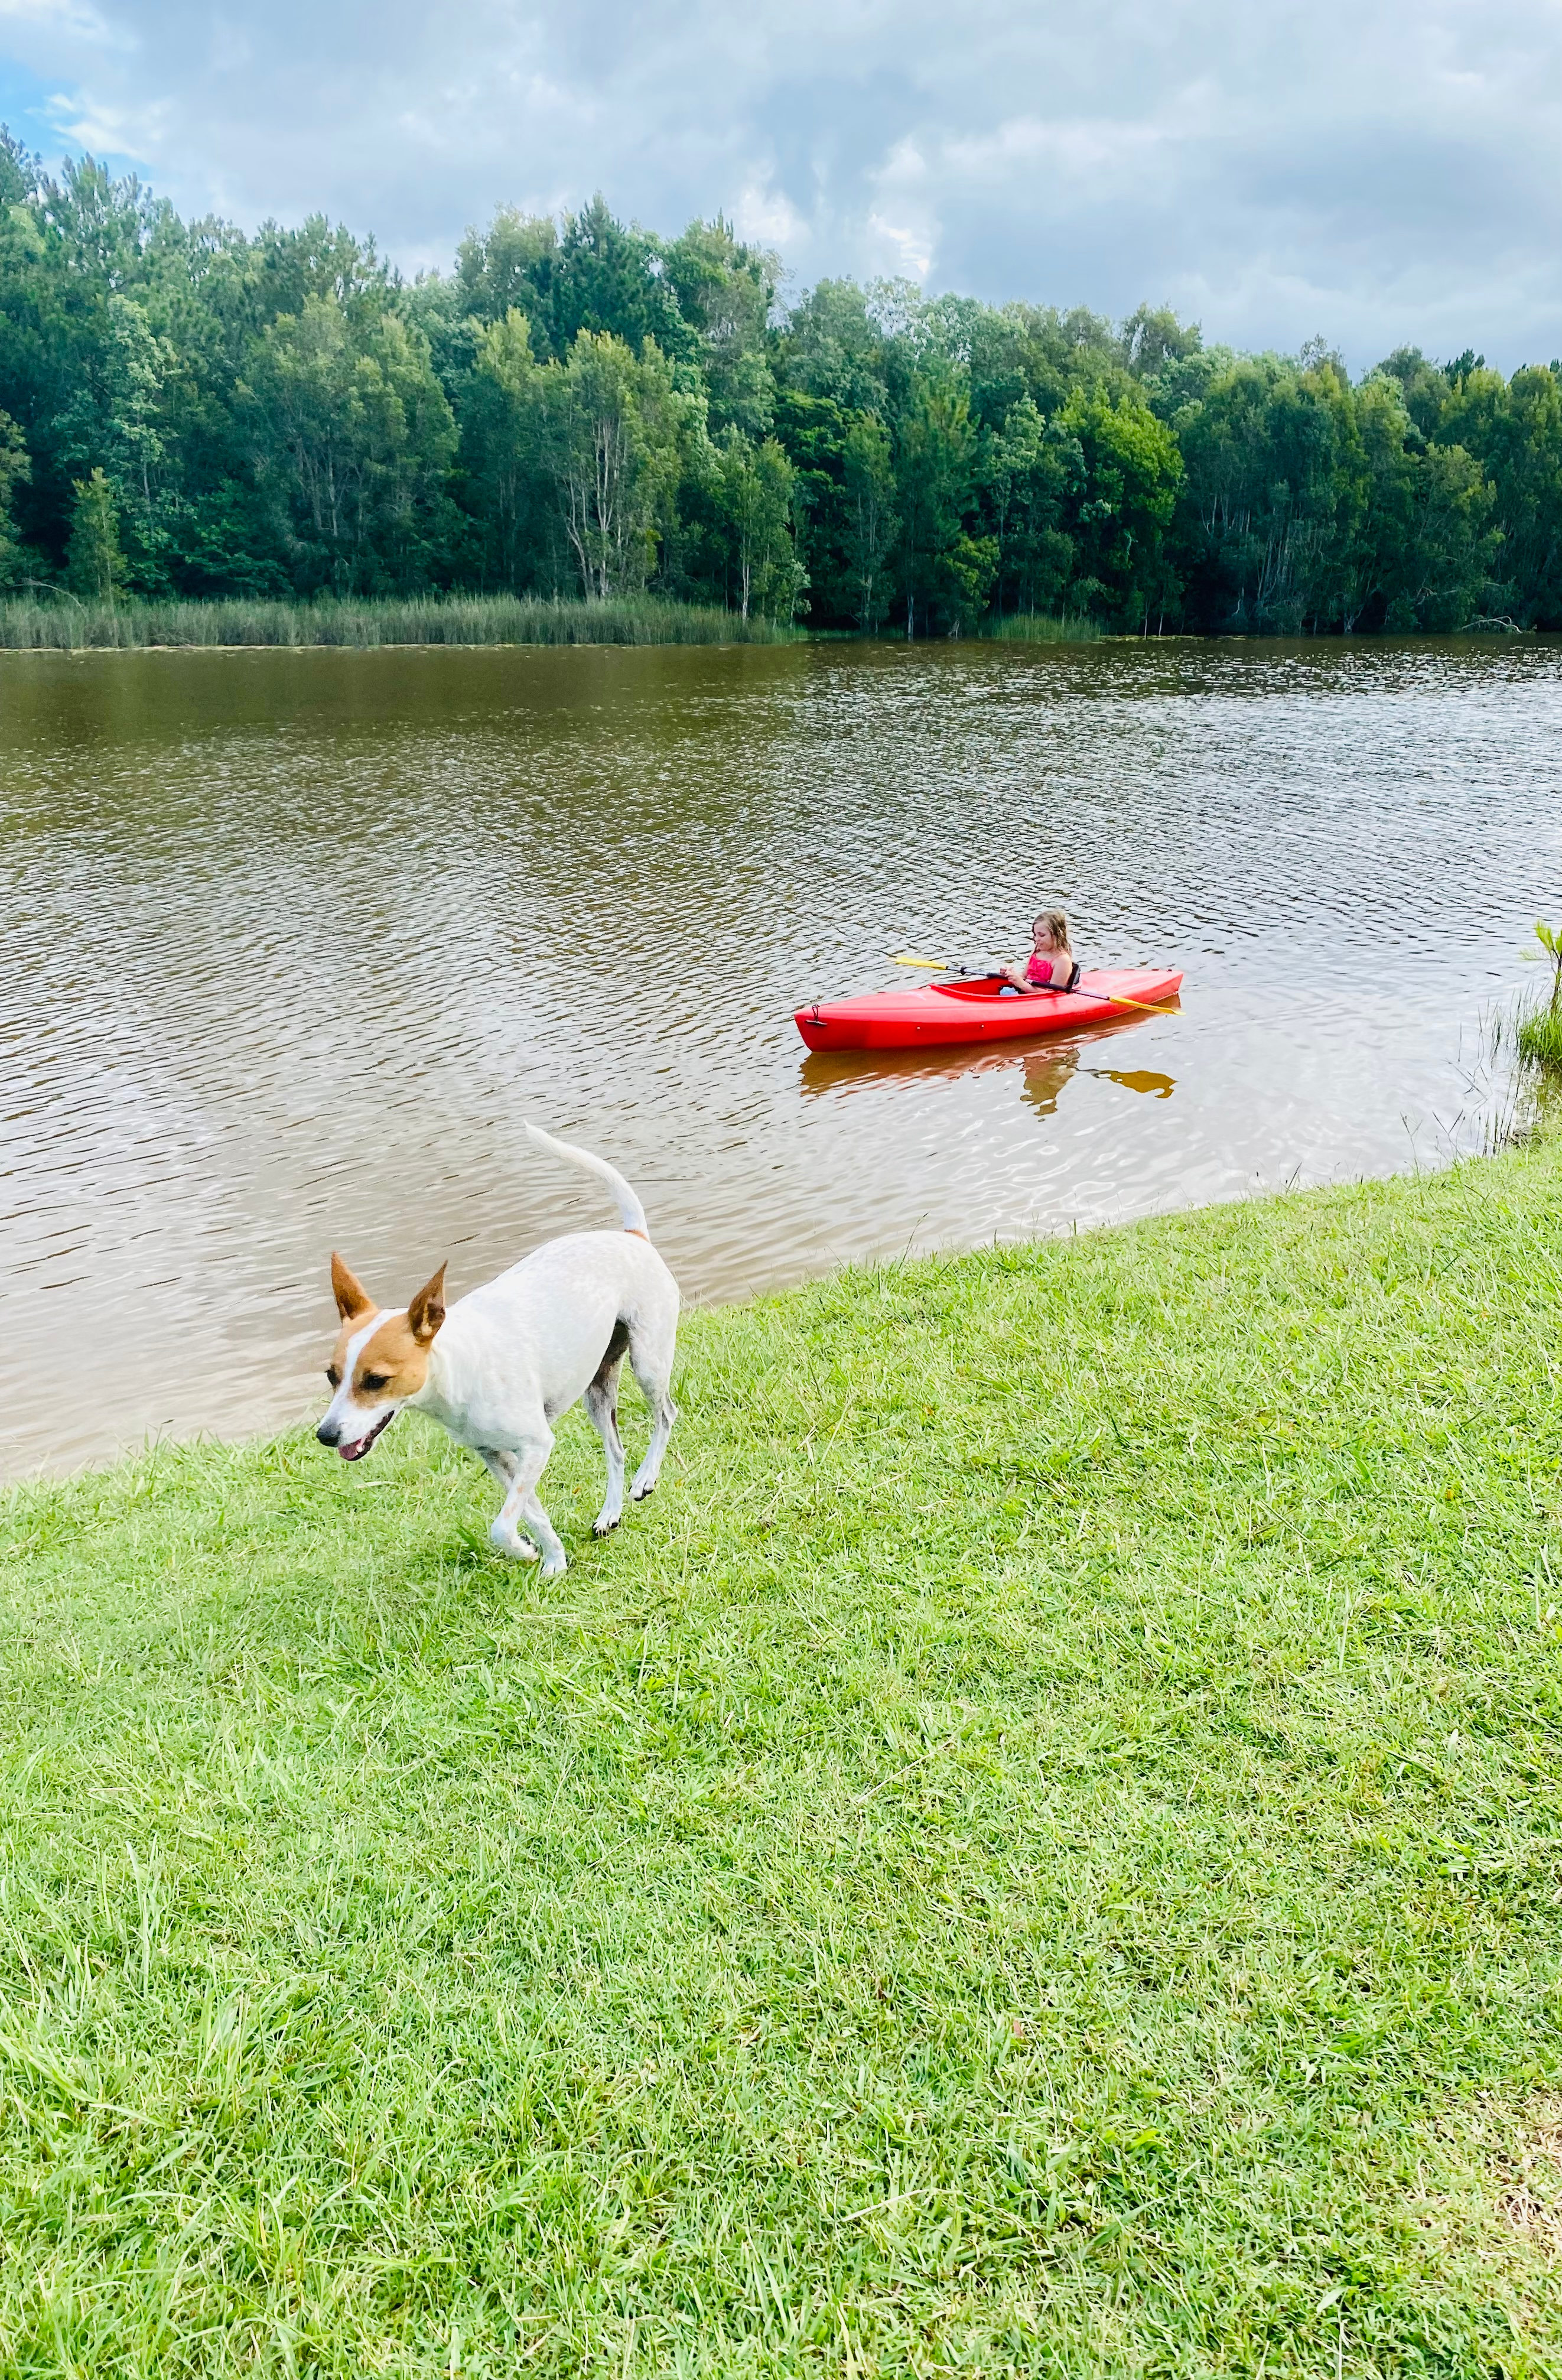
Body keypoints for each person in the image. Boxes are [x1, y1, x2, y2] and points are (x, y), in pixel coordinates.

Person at [999, 909, 1081, 996]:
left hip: (1042, 1000)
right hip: (1027, 994)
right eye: (1035, 935)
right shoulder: (1037, 952)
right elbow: (1024, 976)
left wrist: (1023, 985)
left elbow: (1054, 994)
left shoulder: (1062, 960)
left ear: (1057, 935)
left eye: (1041, 935)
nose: (1036, 939)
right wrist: (1011, 974)